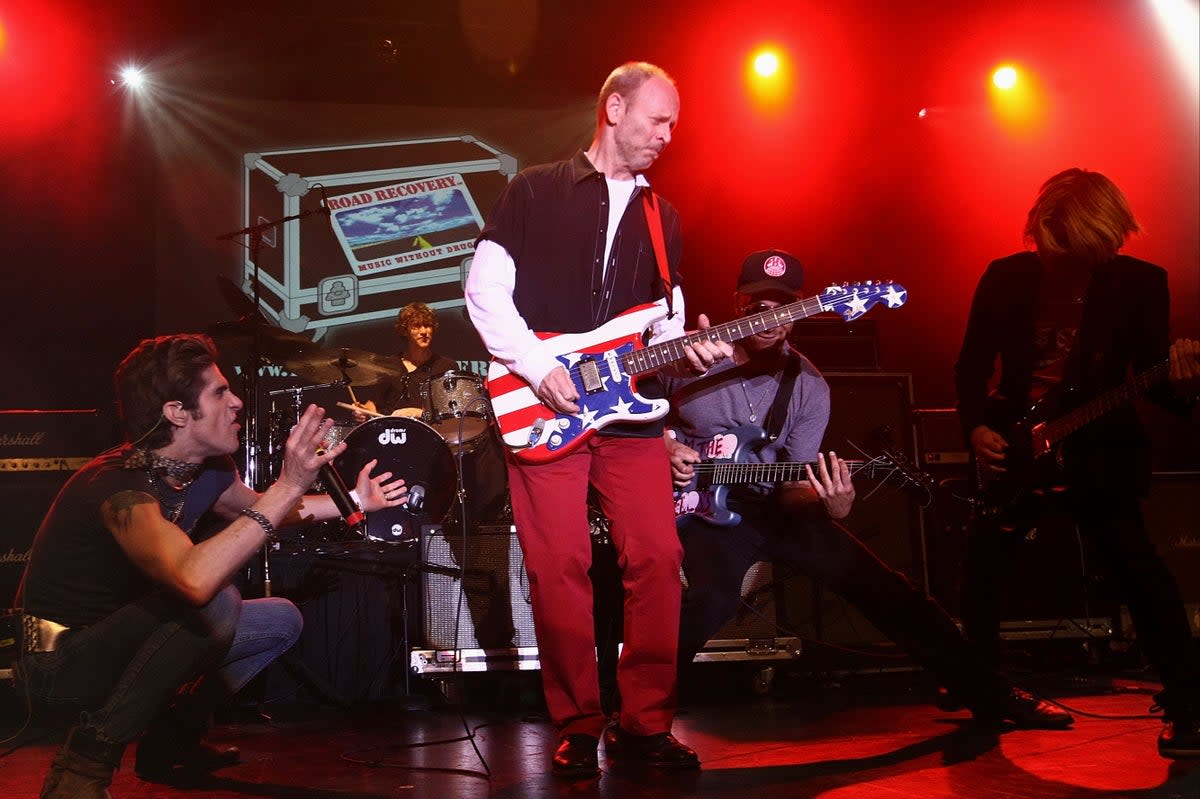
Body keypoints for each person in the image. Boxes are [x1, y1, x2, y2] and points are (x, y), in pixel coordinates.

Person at [664, 248, 1074, 730]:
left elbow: (792, 486)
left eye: (782, 306)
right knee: (711, 599)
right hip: (697, 508)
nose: (768, 318)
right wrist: (663, 450)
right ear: (737, 303)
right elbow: (629, 419)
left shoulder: (809, 387)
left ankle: (990, 693)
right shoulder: (690, 357)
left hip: (770, 507)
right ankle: (638, 711)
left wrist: (826, 503)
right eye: (756, 305)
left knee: (888, 589)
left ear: (797, 312)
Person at [464, 61, 730, 778]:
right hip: (543, 399)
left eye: (673, 125)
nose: (668, 136)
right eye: (658, 120)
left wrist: (692, 356)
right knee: (560, 569)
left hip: (629, 416)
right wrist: (534, 365)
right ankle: (579, 722)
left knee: (658, 555)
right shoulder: (534, 190)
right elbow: (485, 290)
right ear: (614, 109)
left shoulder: (661, 217)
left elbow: (662, 337)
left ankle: (645, 723)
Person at [14, 333, 409, 797]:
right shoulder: (119, 487)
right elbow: (193, 580)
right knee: (216, 598)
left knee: (280, 618)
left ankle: (171, 740)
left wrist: (356, 500)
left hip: (125, 644)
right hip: (59, 663)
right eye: (220, 392)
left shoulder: (210, 470)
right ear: (177, 413)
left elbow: (263, 510)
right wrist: (290, 482)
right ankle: (85, 765)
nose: (237, 401)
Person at [954, 167, 1200, 758]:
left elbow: (1154, 384)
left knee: (1141, 573)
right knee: (982, 570)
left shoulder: (1140, 283)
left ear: (1102, 237)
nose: (1055, 259)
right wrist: (978, 429)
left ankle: (1190, 704)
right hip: (1016, 445)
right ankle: (982, 688)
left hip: (1098, 450)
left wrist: (1186, 380)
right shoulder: (1006, 277)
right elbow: (969, 368)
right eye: (1047, 245)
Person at [350, 301, 458, 422]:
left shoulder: (446, 366)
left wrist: (417, 413)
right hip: (391, 432)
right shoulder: (387, 366)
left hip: (430, 432)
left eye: (427, 326)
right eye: (416, 326)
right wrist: (363, 412)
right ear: (405, 331)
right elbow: (374, 404)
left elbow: (452, 410)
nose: (424, 331)